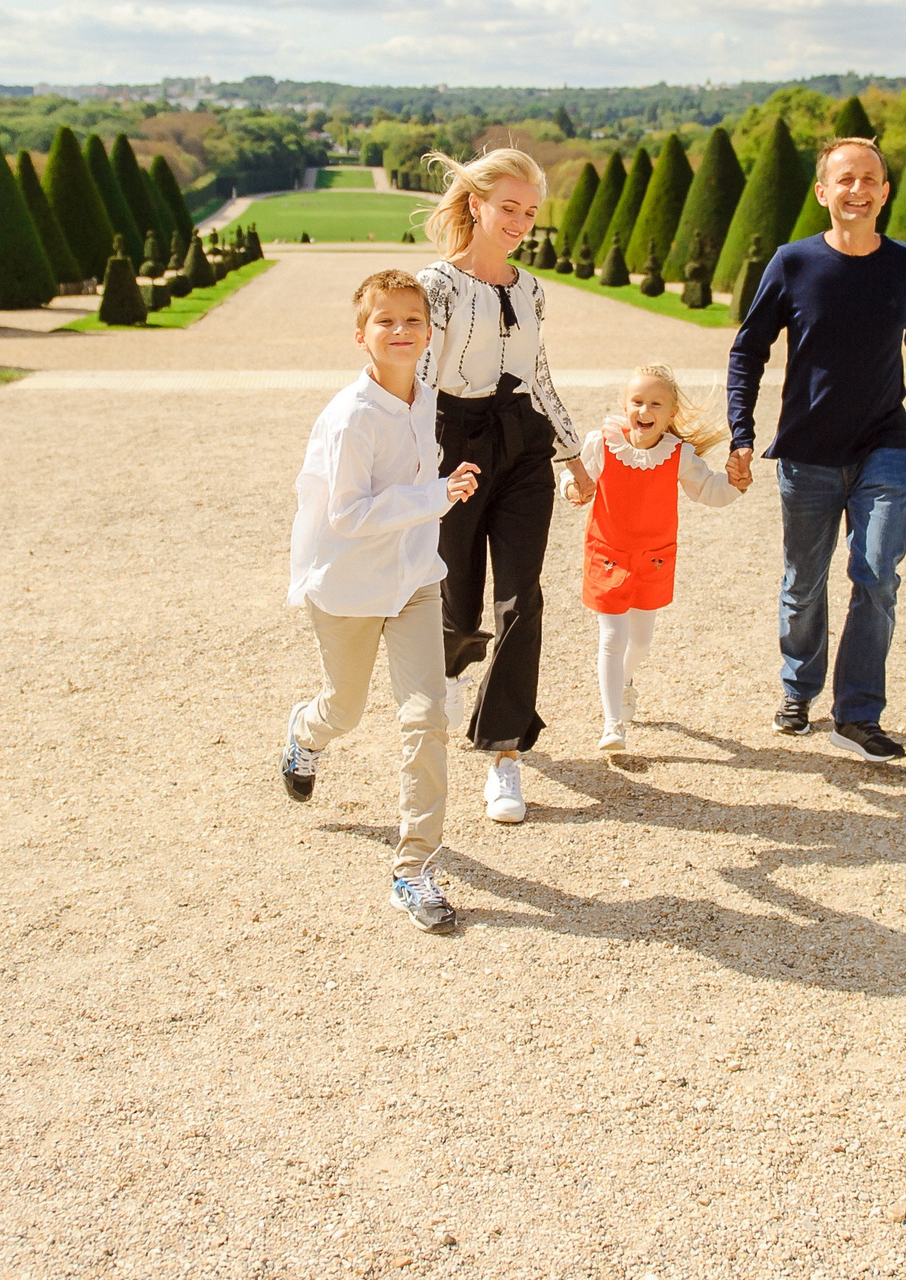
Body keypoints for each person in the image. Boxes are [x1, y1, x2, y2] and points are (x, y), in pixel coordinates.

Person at [725, 136, 906, 763]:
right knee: (804, 582)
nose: (858, 190)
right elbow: (748, 349)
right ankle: (798, 687)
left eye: (870, 179)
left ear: (885, 191)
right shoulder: (794, 263)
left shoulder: (905, 264)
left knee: (877, 576)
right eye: (844, 180)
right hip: (808, 449)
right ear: (824, 192)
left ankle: (857, 714)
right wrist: (741, 433)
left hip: (884, 443)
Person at [282, 269, 482, 932]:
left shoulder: (426, 396)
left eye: (412, 320)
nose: (400, 331)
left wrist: (444, 486)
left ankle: (414, 867)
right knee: (345, 707)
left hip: (417, 579)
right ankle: (306, 733)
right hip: (349, 587)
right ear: (360, 336)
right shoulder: (350, 418)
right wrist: (438, 496)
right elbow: (346, 515)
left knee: (426, 717)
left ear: (428, 332)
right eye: (385, 322)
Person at [416, 148, 592, 826]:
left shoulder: (533, 289)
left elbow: (539, 373)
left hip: (521, 445)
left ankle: (505, 755)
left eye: (530, 212)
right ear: (476, 205)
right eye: (508, 208)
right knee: (457, 608)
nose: (519, 221)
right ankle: (455, 665)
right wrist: (409, 466)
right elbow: (423, 379)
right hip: (452, 445)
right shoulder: (436, 285)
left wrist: (573, 455)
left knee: (523, 600)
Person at [559, 364, 748, 755]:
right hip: (607, 555)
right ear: (625, 405)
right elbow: (577, 478)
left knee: (641, 641)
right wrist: (572, 488)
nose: (644, 410)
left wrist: (734, 482)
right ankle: (613, 723)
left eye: (655, 404)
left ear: (671, 413)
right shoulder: (602, 442)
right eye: (637, 401)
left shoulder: (677, 455)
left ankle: (625, 684)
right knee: (613, 636)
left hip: (654, 560)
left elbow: (709, 490)